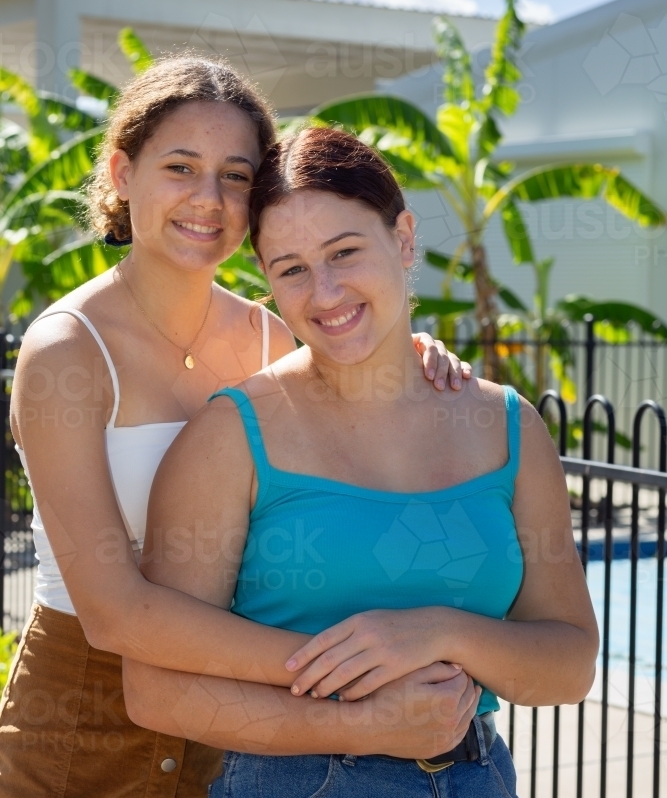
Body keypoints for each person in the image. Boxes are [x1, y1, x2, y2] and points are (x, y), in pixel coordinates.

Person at [1, 58, 469, 797]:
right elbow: (115, 615)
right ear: (123, 173)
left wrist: (415, 357)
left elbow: (366, 384)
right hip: (81, 726)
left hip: (242, 731)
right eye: (180, 167)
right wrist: (350, 673)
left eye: (236, 175)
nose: (208, 199)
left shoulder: (276, 339)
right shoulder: (66, 350)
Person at [122, 126, 599, 797]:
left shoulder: (506, 424)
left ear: (402, 239)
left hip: (476, 774)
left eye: (344, 253)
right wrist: (364, 728)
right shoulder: (232, 436)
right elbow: (155, 693)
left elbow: (569, 664)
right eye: (291, 269)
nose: (324, 294)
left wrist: (435, 632)